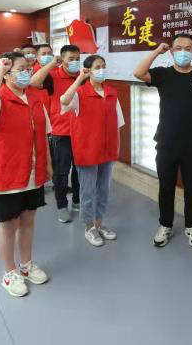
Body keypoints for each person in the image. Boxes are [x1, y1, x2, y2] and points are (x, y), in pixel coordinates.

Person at [133, 34, 192, 248]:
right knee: (166, 187)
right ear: (171, 51)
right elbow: (138, 73)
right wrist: (156, 51)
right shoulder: (163, 75)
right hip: (166, 142)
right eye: (178, 48)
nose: (183, 52)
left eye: (188, 48)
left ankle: (191, 226)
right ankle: (165, 225)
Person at [0, 52, 52, 297]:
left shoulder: (34, 96)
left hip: (33, 171)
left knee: (28, 219)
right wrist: (0, 70)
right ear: (6, 74)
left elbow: (42, 133)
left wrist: (48, 164)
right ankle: (9, 273)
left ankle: (26, 265)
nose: (26, 73)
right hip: (7, 174)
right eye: (20, 69)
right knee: (9, 224)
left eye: (28, 68)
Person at [60, 55, 125, 247]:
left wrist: (116, 149)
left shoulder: (112, 92)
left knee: (103, 190)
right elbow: (64, 100)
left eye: (103, 66)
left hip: (108, 150)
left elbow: (118, 122)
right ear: (88, 70)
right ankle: (89, 227)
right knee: (87, 192)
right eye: (97, 67)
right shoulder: (79, 93)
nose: (101, 70)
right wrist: (80, 78)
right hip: (87, 150)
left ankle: (99, 223)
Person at [31, 44, 81, 223]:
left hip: (81, 131)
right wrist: (52, 64)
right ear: (62, 59)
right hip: (61, 132)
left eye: (77, 58)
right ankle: (62, 205)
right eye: (71, 59)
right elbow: (34, 82)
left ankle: (77, 200)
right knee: (61, 172)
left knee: (80, 170)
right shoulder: (53, 76)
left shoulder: (82, 76)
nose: (74, 62)